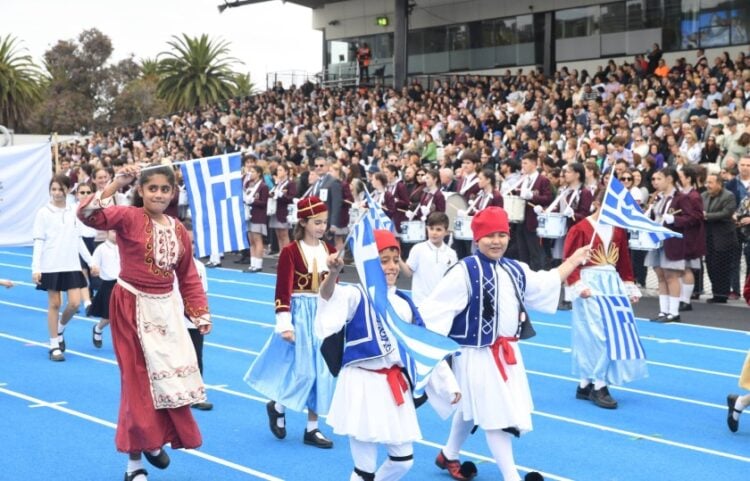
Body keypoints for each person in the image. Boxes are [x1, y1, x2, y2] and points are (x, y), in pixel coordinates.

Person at [420, 206, 590, 481]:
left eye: (502, 234)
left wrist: (572, 261)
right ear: (477, 238)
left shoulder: (514, 269)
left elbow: (543, 283)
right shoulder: (464, 271)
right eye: (489, 235)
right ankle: (511, 476)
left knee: (473, 407)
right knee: (496, 415)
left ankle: (449, 454)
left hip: (507, 354)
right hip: (475, 355)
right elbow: (433, 313)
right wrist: (434, 354)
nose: (496, 241)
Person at [78, 164, 211, 481]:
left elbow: (187, 275)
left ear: (173, 192)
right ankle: (134, 466)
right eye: (153, 188)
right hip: (130, 307)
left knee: (166, 382)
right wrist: (114, 185)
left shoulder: (179, 229)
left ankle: (152, 443)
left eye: (165, 189)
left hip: (166, 312)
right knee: (137, 383)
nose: (159, 195)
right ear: (141, 191)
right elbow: (88, 215)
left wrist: (200, 311)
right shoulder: (128, 217)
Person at [316, 228, 461, 481]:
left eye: (395, 260)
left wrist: (449, 385)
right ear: (369, 265)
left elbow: (421, 347)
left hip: (394, 388)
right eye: (384, 261)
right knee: (365, 469)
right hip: (362, 386)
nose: (392, 267)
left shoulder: (405, 304)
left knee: (403, 460)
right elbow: (328, 297)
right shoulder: (355, 295)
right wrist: (333, 275)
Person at [244, 196, 336, 449]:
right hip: (299, 314)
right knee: (303, 371)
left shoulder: (330, 252)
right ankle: (278, 404)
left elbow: (331, 292)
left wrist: (335, 274)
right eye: (317, 222)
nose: (321, 227)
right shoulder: (290, 251)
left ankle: (312, 428)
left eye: (324, 223)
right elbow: (282, 291)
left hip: (322, 314)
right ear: (304, 222)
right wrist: (285, 322)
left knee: (322, 373)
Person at [563, 193, 646, 409]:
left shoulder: (618, 230)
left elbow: (624, 260)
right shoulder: (580, 228)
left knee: (616, 333)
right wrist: (576, 284)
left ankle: (587, 383)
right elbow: (569, 258)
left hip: (612, 284)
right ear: (597, 204)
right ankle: (598, 385)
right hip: (590, 283)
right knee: (596, 334)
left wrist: (629, 284)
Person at [32, 175, 92, 362]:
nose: (57, 193)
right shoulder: (43, 213)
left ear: (68, 190)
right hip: (51, 264)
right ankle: (54, 345)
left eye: (60, 189)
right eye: (54, 189)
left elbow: (79, 238)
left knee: (74, 304)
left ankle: (60, 327)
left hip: (71, 264)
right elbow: (39, 241)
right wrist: (36, 267)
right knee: (54, 303)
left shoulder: (74, 211)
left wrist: (91, 262)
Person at [399, 211, 458, 307]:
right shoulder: (418, 248)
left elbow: (452, 281)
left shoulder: (451, 254)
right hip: (420, 303)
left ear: (446, 232)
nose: (434, 232)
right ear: (427, 229)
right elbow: (408, 273)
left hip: (442, 305)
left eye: (438, 229)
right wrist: (399, 260)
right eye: (431, 228)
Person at [702, 173, 738, 303]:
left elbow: (726, 213)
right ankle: (715, 293)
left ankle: (722, 295)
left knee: (722, 267)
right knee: (710, 266)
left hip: (723, 238)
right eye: (707, 182)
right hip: (708, 237)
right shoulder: (704, 196)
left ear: (719, 184)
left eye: (711, 183)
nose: (708, 185)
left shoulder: (728, 196)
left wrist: (707, 216)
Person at [88, 229, 120, 348]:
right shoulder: (101, 249)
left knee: (124, 316)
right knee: (108, 317)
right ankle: (98, 328)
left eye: (118, 232)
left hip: (123, 285)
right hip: (108, 285)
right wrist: (94, 269)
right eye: (113, 232)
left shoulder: (124, 247)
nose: (116, 234)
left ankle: (122, 344)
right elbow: (94, 264)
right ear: (107, 233)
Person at [243, 165, 269, 273]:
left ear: (259, 173)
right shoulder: (249, 184)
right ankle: (252, 264)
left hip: (258, 216)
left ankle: (258, 264)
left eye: (253, 171)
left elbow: (264, 202)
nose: (251, 173)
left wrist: (253, 200)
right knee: (251, 240)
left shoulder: (263, 186)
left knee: (257, 240)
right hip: (249, 215)